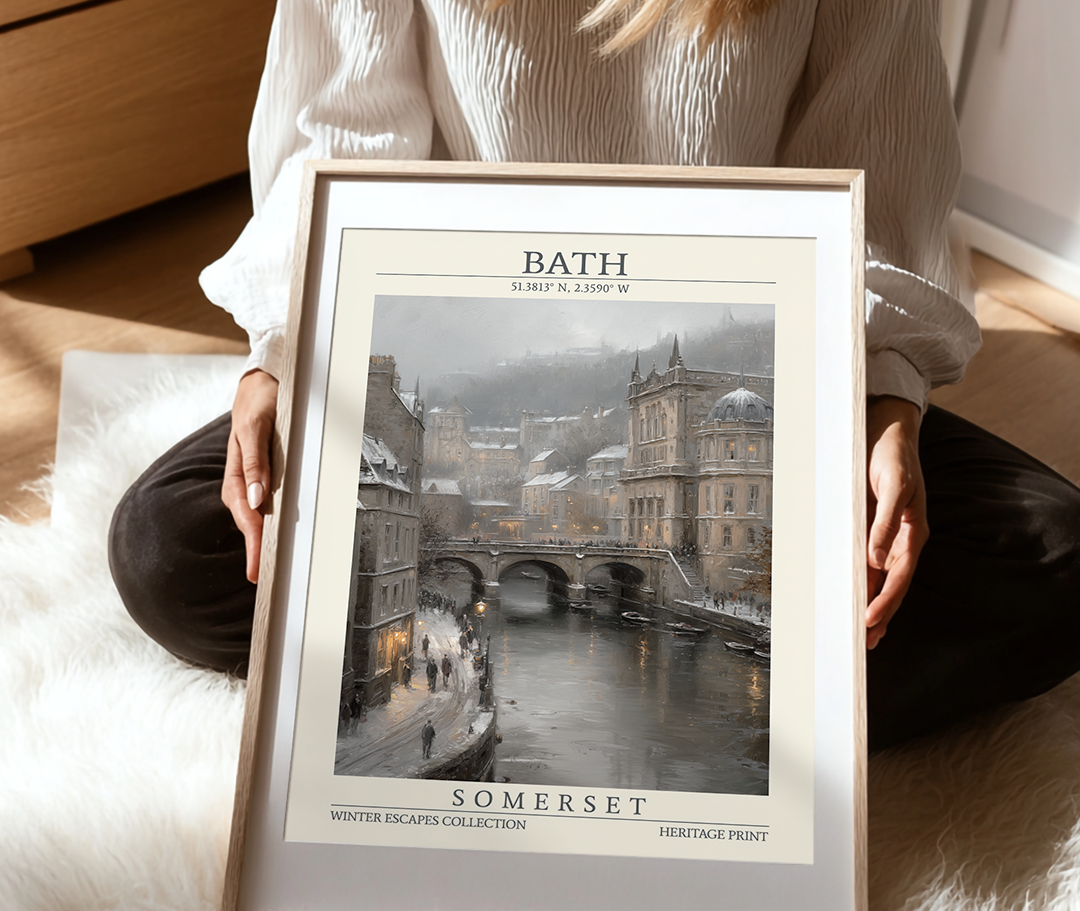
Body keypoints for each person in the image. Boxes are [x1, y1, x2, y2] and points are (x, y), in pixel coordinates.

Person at [107, 0, 1080, 752]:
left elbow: (877, 169)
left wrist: (879, 399)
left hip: (790, 359)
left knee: (1058, 558)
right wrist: (285, 353)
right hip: (453, 329)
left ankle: (653, 731)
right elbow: (338, 140)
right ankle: (766, 718)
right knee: (173, 543)